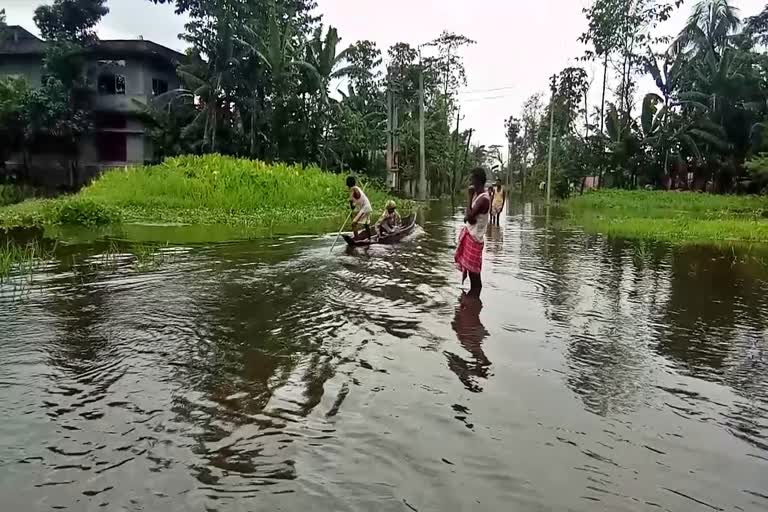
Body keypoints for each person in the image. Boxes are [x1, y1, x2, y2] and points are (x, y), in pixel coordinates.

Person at [454, 167, 490, 297]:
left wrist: (469, 197)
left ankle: (474, 300)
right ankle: (473, 301)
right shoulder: (479, 196)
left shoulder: (483, 199)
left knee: (474, 274)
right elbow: (469, 217)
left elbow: (469, 217)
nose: (470, 181)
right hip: (472, 236)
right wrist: (469, 216)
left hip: (475, 239)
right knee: (472, 272)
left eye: (471, 178)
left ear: (477, 180)